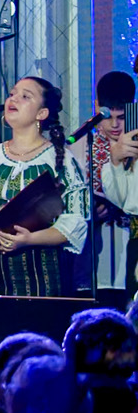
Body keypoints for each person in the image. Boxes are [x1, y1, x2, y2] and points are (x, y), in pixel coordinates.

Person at [0, 77, 89, 296]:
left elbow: (76, 222)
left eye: (25, 96)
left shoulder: (60, 160)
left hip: (42, 276)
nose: (14, 99)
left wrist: (29, 239)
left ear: (42, 113)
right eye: (12, 94)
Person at [86, 70, 133, 297]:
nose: (114, 125)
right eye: (107, 116)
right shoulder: (83, 146)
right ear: (96, 106)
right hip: (95, 251)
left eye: (121, 117)